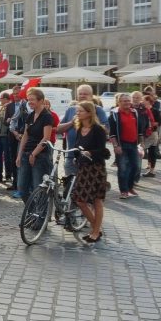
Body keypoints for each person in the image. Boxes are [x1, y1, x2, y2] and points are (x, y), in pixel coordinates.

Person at [71, 101, 108, 243]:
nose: (77, 113)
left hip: (96, 169)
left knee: (97, 200)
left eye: (80, 111)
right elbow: (76, 147)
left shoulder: (98, 129)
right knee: (80, 200)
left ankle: (95, 231)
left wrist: (90, 152)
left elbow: (103, 151)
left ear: (89, 113)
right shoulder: (79, 128)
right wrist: (76, 157)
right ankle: (96, 229)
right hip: (83, 168)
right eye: (77, 111)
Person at [57, 84, 109, 180]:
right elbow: (58, 129)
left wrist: (92, 121)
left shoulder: (98, 110)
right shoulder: (71, 109)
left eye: (85, 94)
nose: (82, 96)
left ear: (91, 95)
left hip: (90, 158)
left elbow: (106, 129)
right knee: (70, 186)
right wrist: (71, 123)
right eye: (80, 94)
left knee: (85, 187)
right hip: (71, 156)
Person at [16, 88, 53, 203]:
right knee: (22, 188)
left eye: (32, 99)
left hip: (40, 156)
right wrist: (19, 155)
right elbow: (25, 136)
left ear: (41, 100)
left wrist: (34, 154)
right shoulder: (31, 115)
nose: (29, 102)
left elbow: (46, 138)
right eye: (28, 100)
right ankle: (32, 212)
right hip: (26, 154)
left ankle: (40, 216)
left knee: (39, 188)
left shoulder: (47, 116)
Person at [109, 93, 142, 199]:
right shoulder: (114, 114)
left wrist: (141, 143)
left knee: (135, 166)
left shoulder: (134, 112)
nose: (127, 103)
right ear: (119, 102)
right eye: (124, 101)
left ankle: (130, 187)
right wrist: (115, 145)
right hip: (121, 144)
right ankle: (124, 190)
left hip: (133, 144)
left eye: (128, 100)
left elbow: (139, 129)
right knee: (123, 168)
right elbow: (112, 133)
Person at [4, 84, 25, 194]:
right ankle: (15, 182)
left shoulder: (26, 105)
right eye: (14, 94)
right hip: (12, 135)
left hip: (23, 135)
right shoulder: (9, 106)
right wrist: (8, 120)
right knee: (13, 158)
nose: (16, 95)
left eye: (18, 93)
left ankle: (23, 183)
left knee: (22, 159)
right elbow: (5, 122)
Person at [142, 94, 161, 177]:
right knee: (144, 151)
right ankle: (149, 165)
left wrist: (150, 124)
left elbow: (159, 122)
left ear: (149, 101)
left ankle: (152, 170)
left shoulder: (155, 111)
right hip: (144, 134)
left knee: (152, 151)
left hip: (152, 134)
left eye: (144, 100)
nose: (142, 102)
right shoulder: (142, 110)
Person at [0, 93, 12, 184]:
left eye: (1, 99)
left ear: (6, 99)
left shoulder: (8, 107)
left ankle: (8, 175)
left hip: (5, 135)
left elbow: (5, 121)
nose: (0, 100)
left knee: (7, 156)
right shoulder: (2, 107)